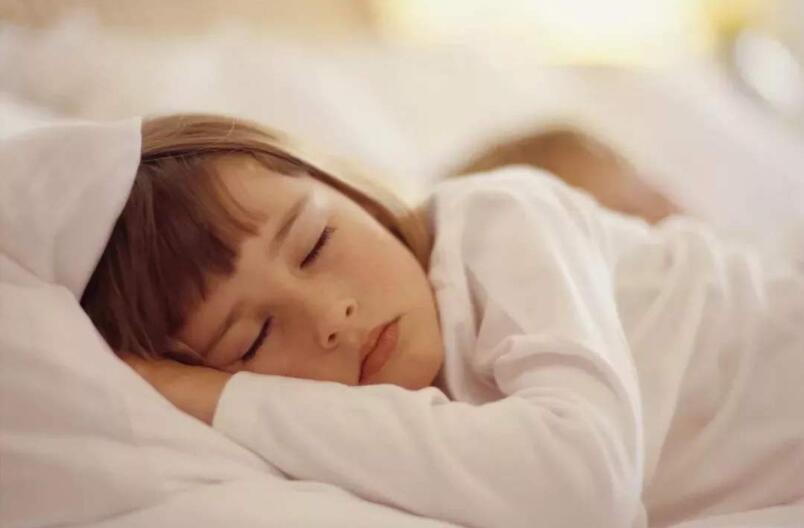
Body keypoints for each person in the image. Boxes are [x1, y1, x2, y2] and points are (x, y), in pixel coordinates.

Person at [81, 113, 804, 528]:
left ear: (354, 192)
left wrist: (218, 395)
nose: (332, 315)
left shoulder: (496, 219)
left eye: (316, 243)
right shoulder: (360, 445)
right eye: (255, 337)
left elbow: (585, 487)